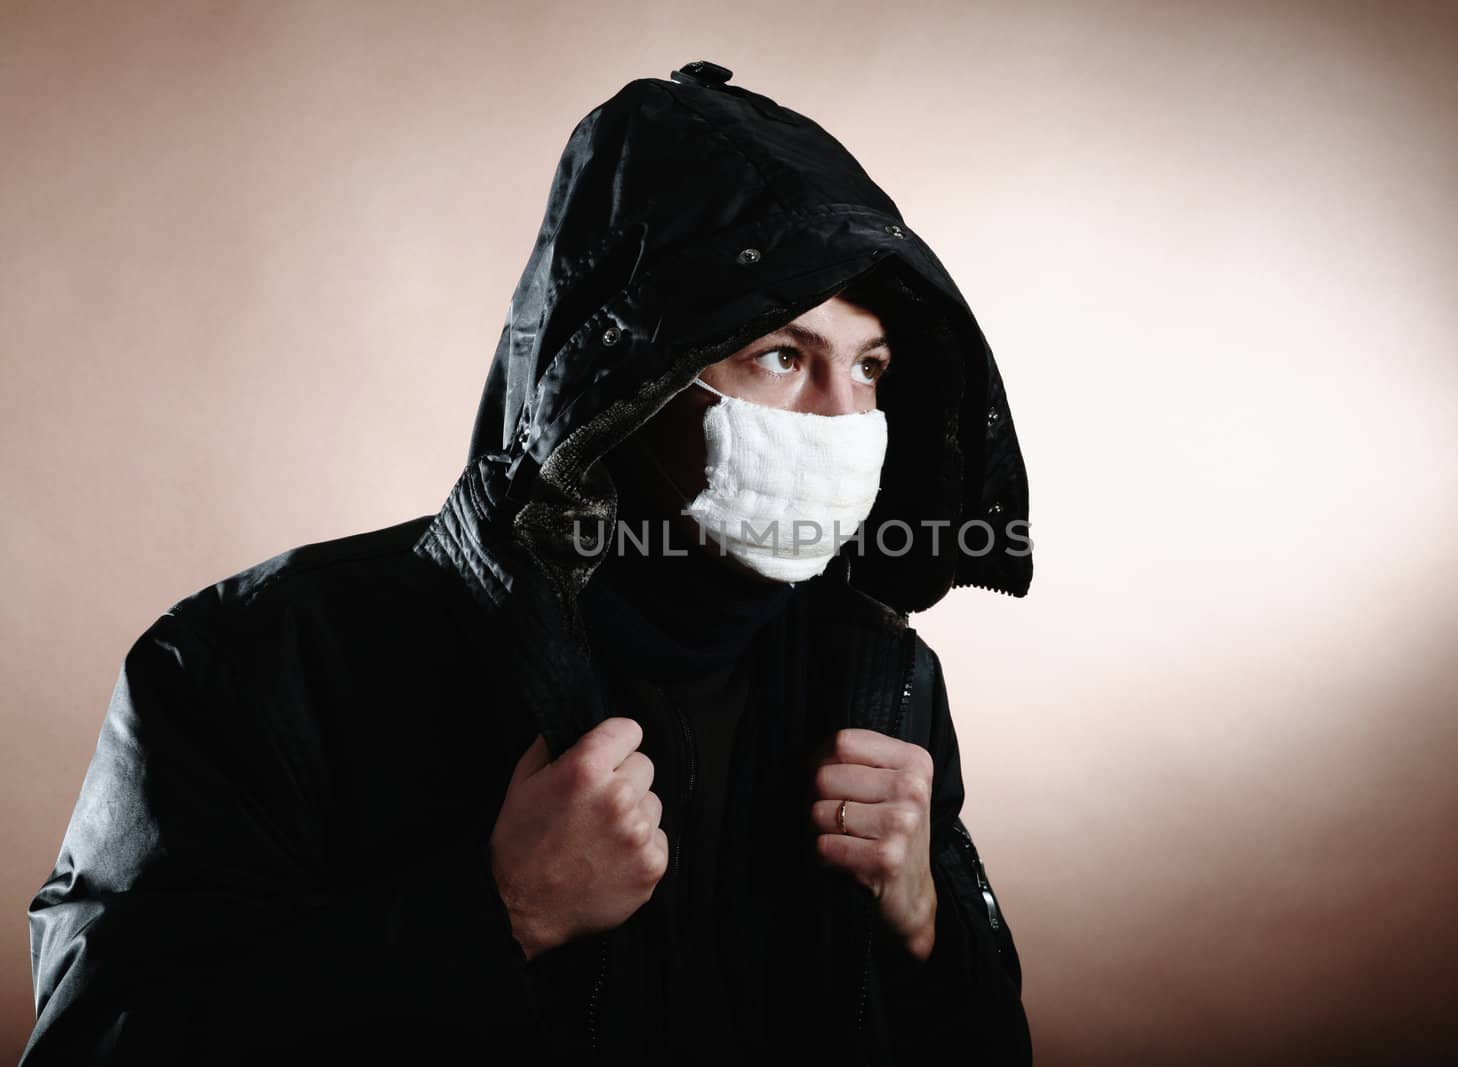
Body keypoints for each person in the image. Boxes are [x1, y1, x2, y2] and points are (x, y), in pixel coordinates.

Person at [23, 59, 1034, 1065]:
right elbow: (100, 1037)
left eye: (869, 367)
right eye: (781, 353)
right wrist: (494, 913)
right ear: (625, 373)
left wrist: (926, 927)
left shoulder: (876, 673)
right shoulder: (259, 659)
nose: (844, 420)